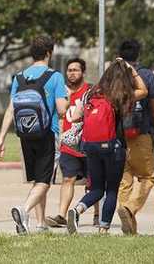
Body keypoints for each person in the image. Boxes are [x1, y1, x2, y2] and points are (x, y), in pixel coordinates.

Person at [66, 58, 148, 234]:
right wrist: (131, 69)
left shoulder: (91, 92)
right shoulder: (120, 94)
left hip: (90, 146)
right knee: (111, 189)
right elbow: (144, 90)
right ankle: (103, 229)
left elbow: (74, 117)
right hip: (113, 147)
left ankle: (77, 209)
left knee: (96, 188)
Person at [0, 35, 68, 235]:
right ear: (49, 53)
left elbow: (11, 109)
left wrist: (1, 138)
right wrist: (68, 100)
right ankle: (24, 210)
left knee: (37, 178)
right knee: (45, 181)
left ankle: (41, 223)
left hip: (25, 134)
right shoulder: (55, 77)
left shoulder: (19, 77)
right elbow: (61, 110)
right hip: (47, 132)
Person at [115, 39, 154, 236]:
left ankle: (129, 225)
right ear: (139, 55)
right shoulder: (147, 75)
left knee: (125, 179)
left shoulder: (114, 76)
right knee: (148, 177)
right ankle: (129, 208)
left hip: (118, 136)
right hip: (141, 135)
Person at [46, 58, 99, 228]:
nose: (72, 73)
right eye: (69, 70)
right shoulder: (61, 92)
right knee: (68, 179)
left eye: (76, 70)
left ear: (83, 72)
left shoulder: (90, 91)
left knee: (94, 182)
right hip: (69, 145)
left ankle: (97, 215)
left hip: (88, 143)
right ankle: (62, 215)